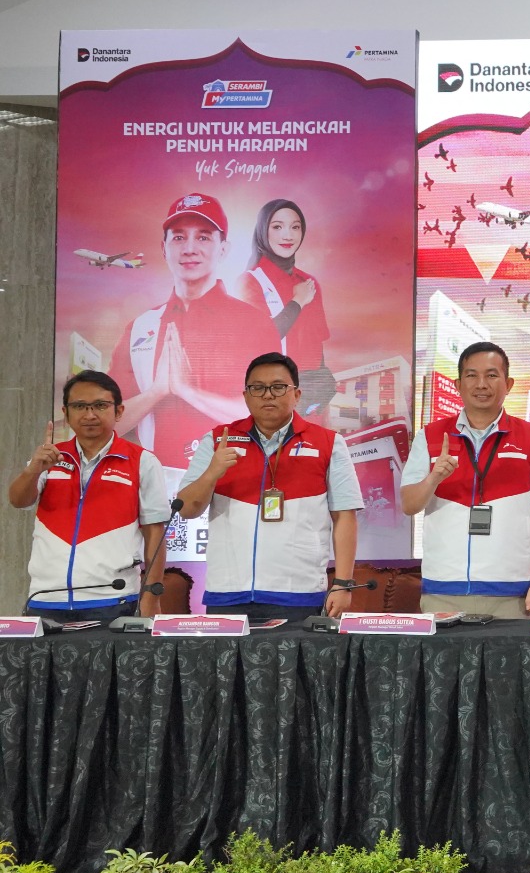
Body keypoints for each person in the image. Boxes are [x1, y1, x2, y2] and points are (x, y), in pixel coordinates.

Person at [176, 352, 362, 624]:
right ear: (245, 395)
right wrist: (212, 472)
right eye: (258, 388)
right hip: (228, 593)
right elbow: (187, 509)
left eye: (278, 387)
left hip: (298, 593)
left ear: (297, 394)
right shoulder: (218, 440)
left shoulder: (328, 443)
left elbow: (345, 516)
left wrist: (343, 583)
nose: (267, 395)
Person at [110, 193, 280, 468]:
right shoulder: (141, 327)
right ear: (164, 248)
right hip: (159, 482)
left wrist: (188, 392)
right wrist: (156, 392)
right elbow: (109, 424)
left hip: (236, 479)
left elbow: (273, 416)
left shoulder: (255, 323)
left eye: (203, 237)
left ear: (223, 249)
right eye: (179, 237)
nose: (190, 248)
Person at [400, 342, 530, 618]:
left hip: (513, 591)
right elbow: (409, 505)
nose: (481, 384)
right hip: (443, 589)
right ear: (458, 384)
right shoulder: (429, 436)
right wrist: (434, 478)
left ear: (508, 384)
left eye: (491, 375)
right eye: (471, 375)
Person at [7, 371, 169, 622]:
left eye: (100, 406)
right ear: (66, 412)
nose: (89, 414)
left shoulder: (142, 461)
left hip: (114, 598)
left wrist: (151, 596)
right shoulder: (50, 457)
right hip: (46, 598)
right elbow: (18, 500)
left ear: (118, 411)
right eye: (80, 406)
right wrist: (32, 470)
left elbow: (155, 533)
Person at [236, 199, 336, 411]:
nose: (288, 235)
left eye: (295, 227)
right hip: (268, 396)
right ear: (263, 230)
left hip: (307, 399)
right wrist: (297, 301)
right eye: (277, 227)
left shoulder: (309, 282)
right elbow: (258, 340)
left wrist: (321, 393)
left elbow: (317, 347)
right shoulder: (250, 281)